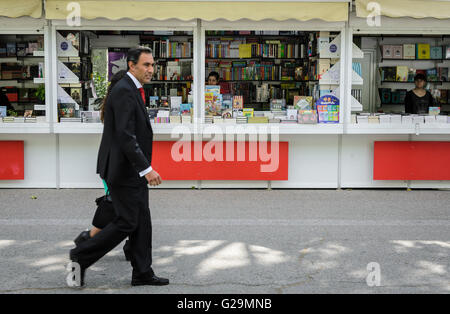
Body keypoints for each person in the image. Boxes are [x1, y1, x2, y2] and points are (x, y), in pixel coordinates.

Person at [69, 47, 168, 287]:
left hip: (130, 170)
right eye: (146, 65)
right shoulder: (124, 90)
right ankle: (80, 257)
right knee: (127, 222)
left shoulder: (130, 88)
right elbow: (125, 136)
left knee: (142, 221)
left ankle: (142, 272)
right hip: (125, 170)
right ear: (132, 65)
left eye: (152, 65)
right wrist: (146, 169)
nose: (151, 70)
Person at [73, 70, 133, 261]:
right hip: (115, 166)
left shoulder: (112, 104)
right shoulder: (118, 106)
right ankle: (88, 239)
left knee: (126, 207)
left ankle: (130, 247)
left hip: (114, 165)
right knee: (118, 206)